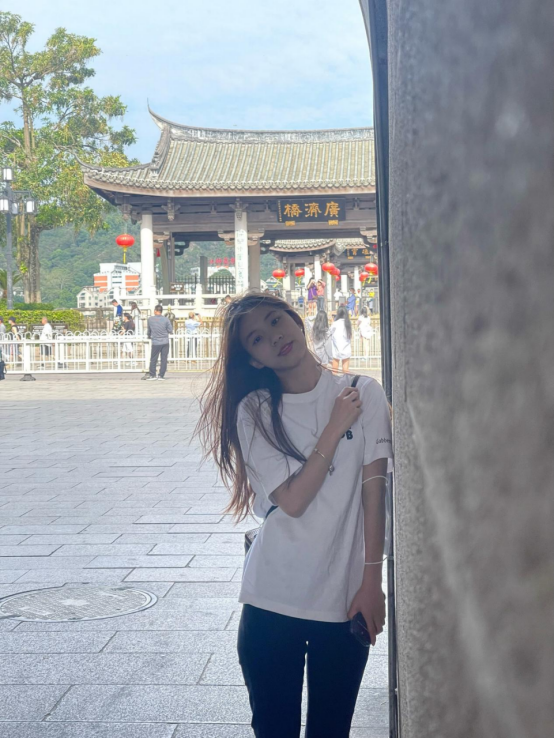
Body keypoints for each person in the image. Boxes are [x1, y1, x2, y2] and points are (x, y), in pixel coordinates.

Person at [197, 292, 393, 739]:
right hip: (271, 601)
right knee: (274, 730)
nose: (274, 337)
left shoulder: (363, 392)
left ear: (295, 319)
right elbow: (293, 500)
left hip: (344, 601)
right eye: (257, 339)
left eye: (275, 320)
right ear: (255, 359)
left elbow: (374, 491)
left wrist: (372, 582)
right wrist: (335, 426)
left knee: (331, 730)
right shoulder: (254, 411)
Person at [146, 305, 173, 380]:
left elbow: (149, 330)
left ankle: (153, 375)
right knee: (164, 359)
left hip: (156, 342)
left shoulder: (150, 319)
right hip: (165, 342)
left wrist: (149, 336)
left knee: (153, 359)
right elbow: (170, 330)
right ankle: (161, 375)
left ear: (155, 311)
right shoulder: (166, 319)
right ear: (161, 311)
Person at [329, 305, 352, 375]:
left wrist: (331, 320)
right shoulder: (348, 323)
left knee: (334, 370)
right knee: (346, 370)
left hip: (336, 349)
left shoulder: (335, 323)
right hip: (346, 348)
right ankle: (346, 381)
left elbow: (329, 332)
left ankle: (334, 381)